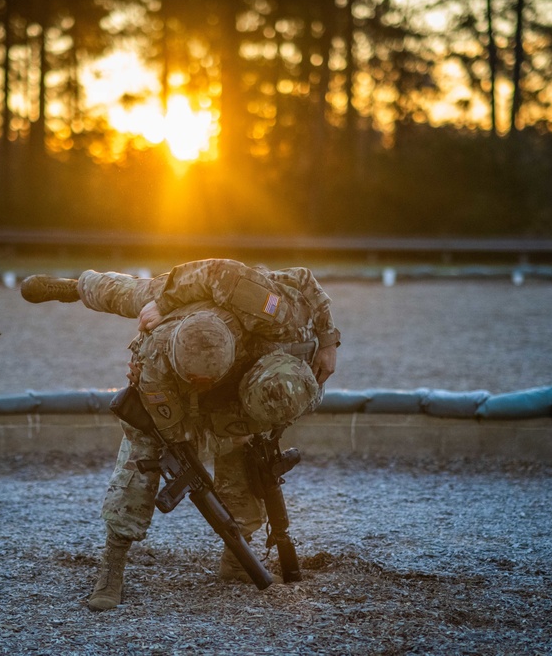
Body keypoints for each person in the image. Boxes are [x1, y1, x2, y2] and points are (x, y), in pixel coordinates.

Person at [21, 259, 341, 609]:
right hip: (172, 304)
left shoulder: (280, 324)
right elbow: (174, 432)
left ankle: (237, 561)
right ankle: (112, 565)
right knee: (144, 452)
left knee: (247, 453)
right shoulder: (157, 359)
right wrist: (163, 304)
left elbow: (302, 277)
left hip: (227, 335)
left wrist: (328, 340)